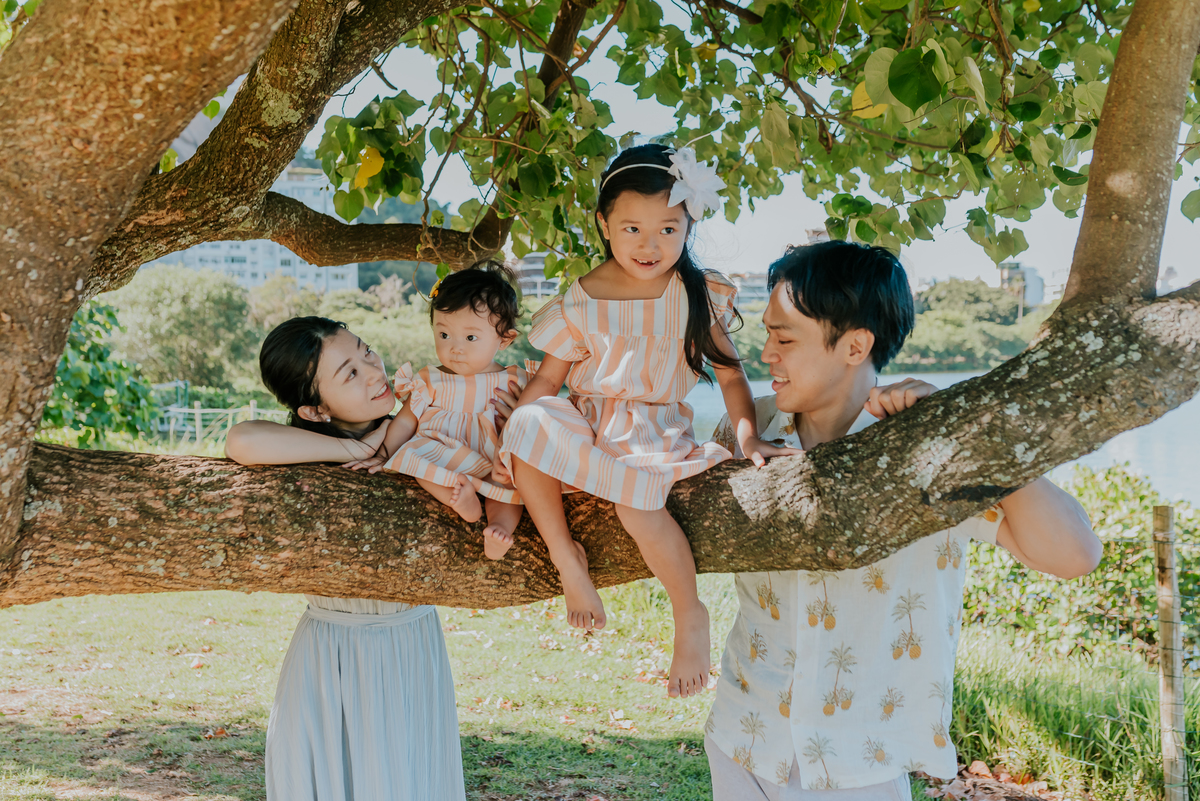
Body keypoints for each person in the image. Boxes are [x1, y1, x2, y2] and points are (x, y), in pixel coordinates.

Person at [704, 240, 1101, 798]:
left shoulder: (923, 448)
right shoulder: (747, 430)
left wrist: (964, 432)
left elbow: (1075, 555)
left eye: (784, 337)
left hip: (859, 763)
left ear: (855, 345)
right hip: (741, 737)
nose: (766, 353)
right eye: (767, 333)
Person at [498, 143, 800, 700]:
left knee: (636, 502)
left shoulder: (693, 292)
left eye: (668, 228)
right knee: (528, 423)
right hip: (591, 426)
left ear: (688, 227)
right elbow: (547, 381)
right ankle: (569, 560)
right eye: (632, 228)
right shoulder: (581, 299)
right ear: (604, 225)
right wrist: (513, 438)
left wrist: (748, 435)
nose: (649, 243)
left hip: (651, 433)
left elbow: (731, 374)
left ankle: (689, 614)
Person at [224, 316, 472, 801]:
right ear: (315, 410)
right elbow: (241, 441)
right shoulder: (308, 449)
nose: (374, 372)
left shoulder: (427, 425)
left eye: (366, 353)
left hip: (411, 645)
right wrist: (351, 447)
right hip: (329, 652)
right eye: (350, 373)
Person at [349, 262, 533, 561]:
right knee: (415, 455)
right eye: (444, 335)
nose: (455, 348)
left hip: (495, 458)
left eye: (470, 338)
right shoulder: (429, 379)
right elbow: (407, 420)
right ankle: (462, 503)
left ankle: (500, 529)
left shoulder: (516, 380)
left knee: (512, 485)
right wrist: (383, 455)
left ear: (505, 338)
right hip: (444, 454)